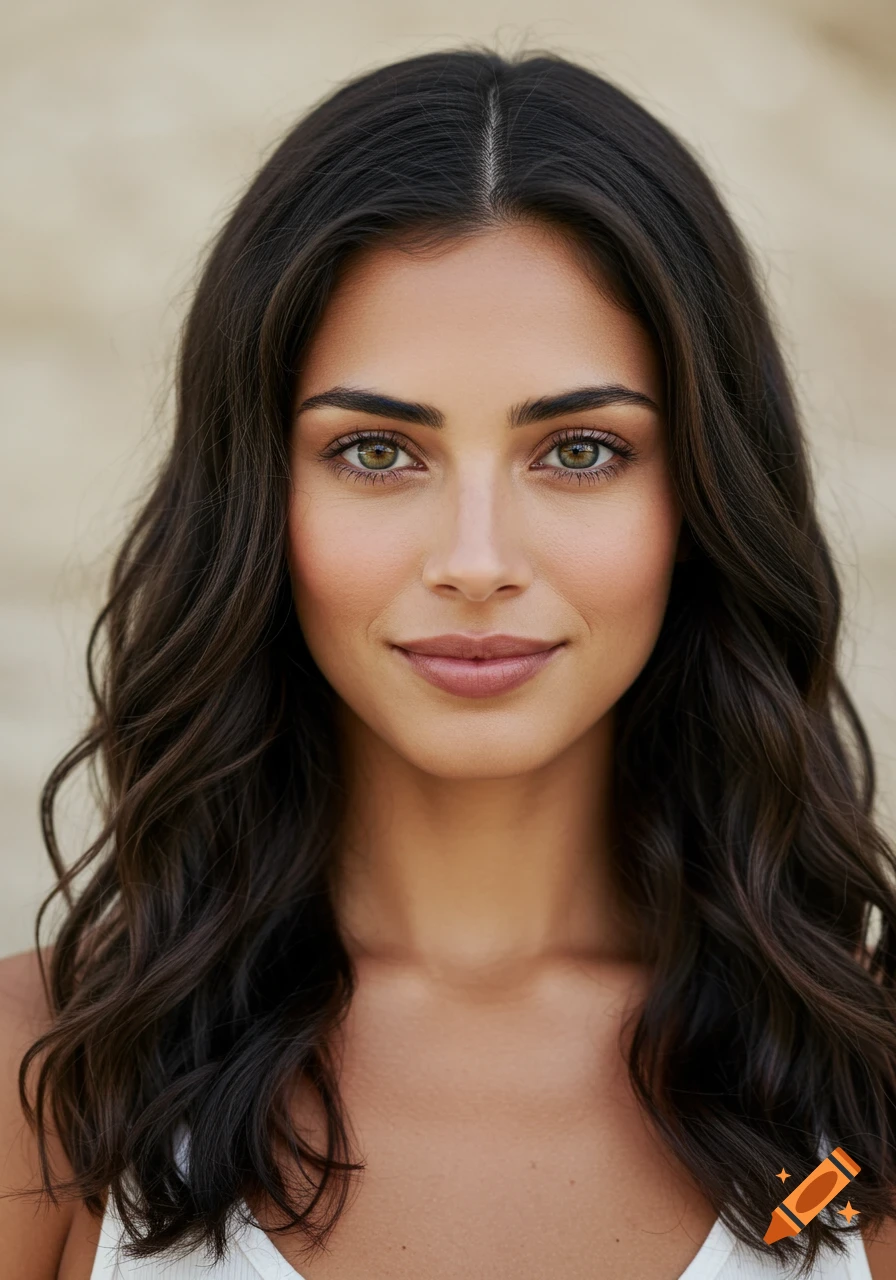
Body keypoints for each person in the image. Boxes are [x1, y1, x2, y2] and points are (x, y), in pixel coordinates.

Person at [1, 45, 895, 1280]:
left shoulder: (860, 1085)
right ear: (258, 496)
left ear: (700, 496)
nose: (476, 559)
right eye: (376, 451)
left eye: (579, 450)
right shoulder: (40, 1076)